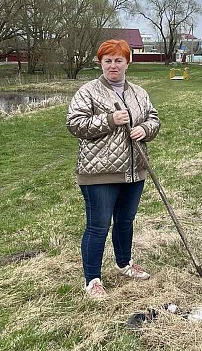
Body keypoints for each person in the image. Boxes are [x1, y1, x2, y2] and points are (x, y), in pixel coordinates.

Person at [66, 39, 160, 299]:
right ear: (101, 63)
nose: (113, 66)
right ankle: (93, 279)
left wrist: (146, 129)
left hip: (134, 170)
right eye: (108, 61)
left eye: (118, 60)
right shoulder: (88, 91)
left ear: (128, 63)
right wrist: (109, 120)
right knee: (98, 226)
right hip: (99, 172)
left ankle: (124, 264)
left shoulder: (139, 93)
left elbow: (153, 118)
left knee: (125, 221)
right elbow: (75, 124)